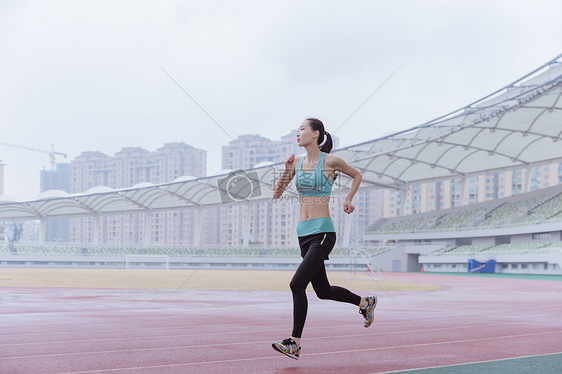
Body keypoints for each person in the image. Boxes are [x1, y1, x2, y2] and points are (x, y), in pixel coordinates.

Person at [271, 118, 377, 360]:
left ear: (316, 134)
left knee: (297, 284)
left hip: (323, 232)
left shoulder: (330, 161)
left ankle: (294, 343)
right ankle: (365, 303)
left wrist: (349, 199)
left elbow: (357, 175)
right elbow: (277, 194)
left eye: (302, 129)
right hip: (304, 234)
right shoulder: (296, 163)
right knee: (323, 290)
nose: (297, 133)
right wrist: (287, 170)